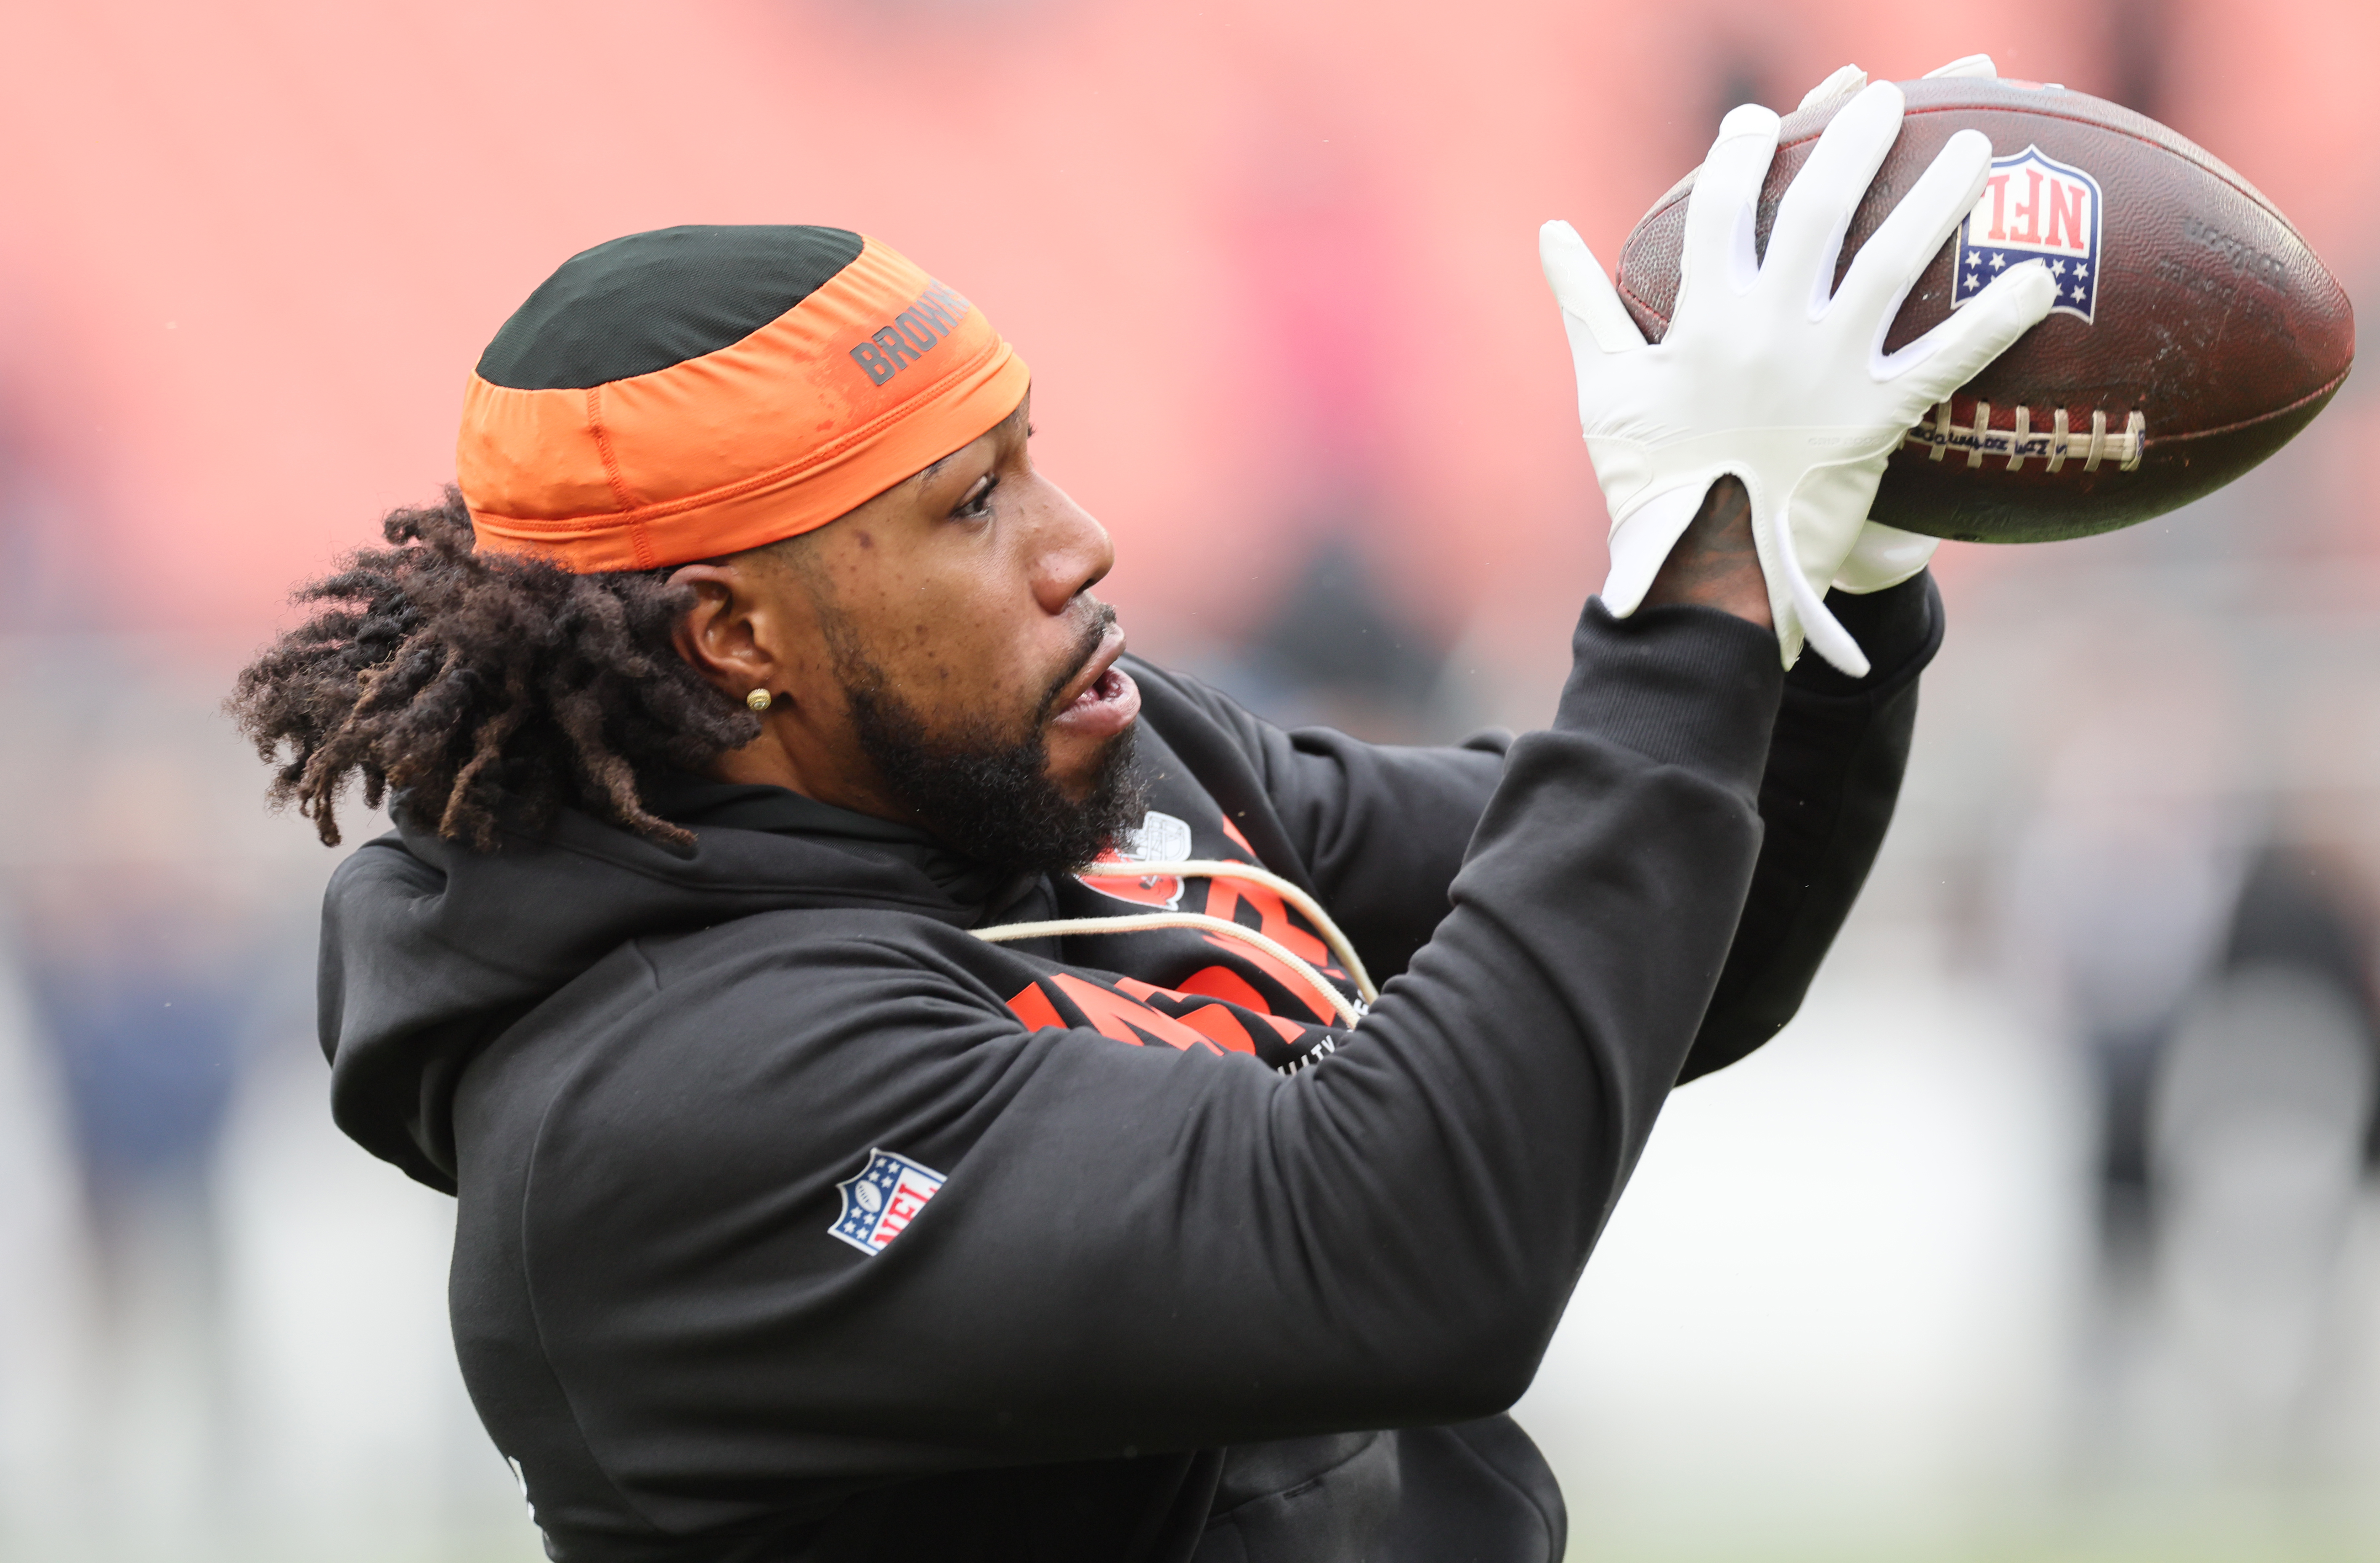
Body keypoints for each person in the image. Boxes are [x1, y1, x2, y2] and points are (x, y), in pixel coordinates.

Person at [229, 77, 2052, 1563]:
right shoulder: (671, 1106)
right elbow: (1400, 1253)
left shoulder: (1062, 754)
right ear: (731, 635)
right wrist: (1690, 587)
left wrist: (1822, 584)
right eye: (967, 506)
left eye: (1032, 454)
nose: (1078, 542)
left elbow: (1666, 949)